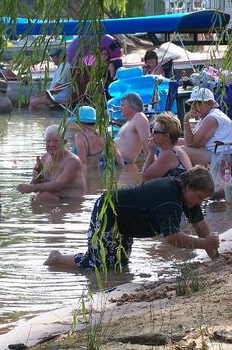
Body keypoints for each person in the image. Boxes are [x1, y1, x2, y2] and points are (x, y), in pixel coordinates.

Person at [43, 165, 220, 270]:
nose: (200, 202)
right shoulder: (169, 198)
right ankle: (56, 259)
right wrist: (204, 244)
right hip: (108, 211)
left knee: (118, 265)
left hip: (125, 221)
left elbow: (200, 226)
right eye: (200, 198)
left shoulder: (188, 196)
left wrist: (215, 257)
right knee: (99, 265)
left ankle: (62, 260)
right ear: (188, 187)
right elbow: (172, 237)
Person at [17, 125, 86, 201]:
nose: (51, 144)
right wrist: (34, 178)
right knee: (39, 197)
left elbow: (58, 186)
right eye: (48, 141)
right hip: (52, 200)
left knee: (43, 197)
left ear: (64, 142)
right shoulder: (44, 158)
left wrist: (32, 188)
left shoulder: (72, 161)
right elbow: (35, 185)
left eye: (55, 141)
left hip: (70, 202)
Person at [181, 87, 232, 166]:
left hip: (228, 156)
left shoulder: (211, 119)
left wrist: (186, 120)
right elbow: (191, 140)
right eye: (192, 103)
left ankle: (188, 173)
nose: (193, 106)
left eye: (198, 103)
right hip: (220, 152)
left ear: (210, 104)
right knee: (174, 142)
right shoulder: (206, 116)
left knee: (180, 151)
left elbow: (191, 143)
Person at [142, 112, 192, 181]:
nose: (151, 135)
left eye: (155, 132)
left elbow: (145, 178)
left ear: (166, 136)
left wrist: (151, 152)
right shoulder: (176, 150)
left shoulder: (169, 154)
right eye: (152, 130)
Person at [115, 93, 150, 164]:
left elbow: (146, 143)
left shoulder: (140, 117)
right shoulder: (130, 121)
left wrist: (154, 165)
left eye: (122, 105)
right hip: (115, 161)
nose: (120, 108)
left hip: (122, 162)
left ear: (132, 107)